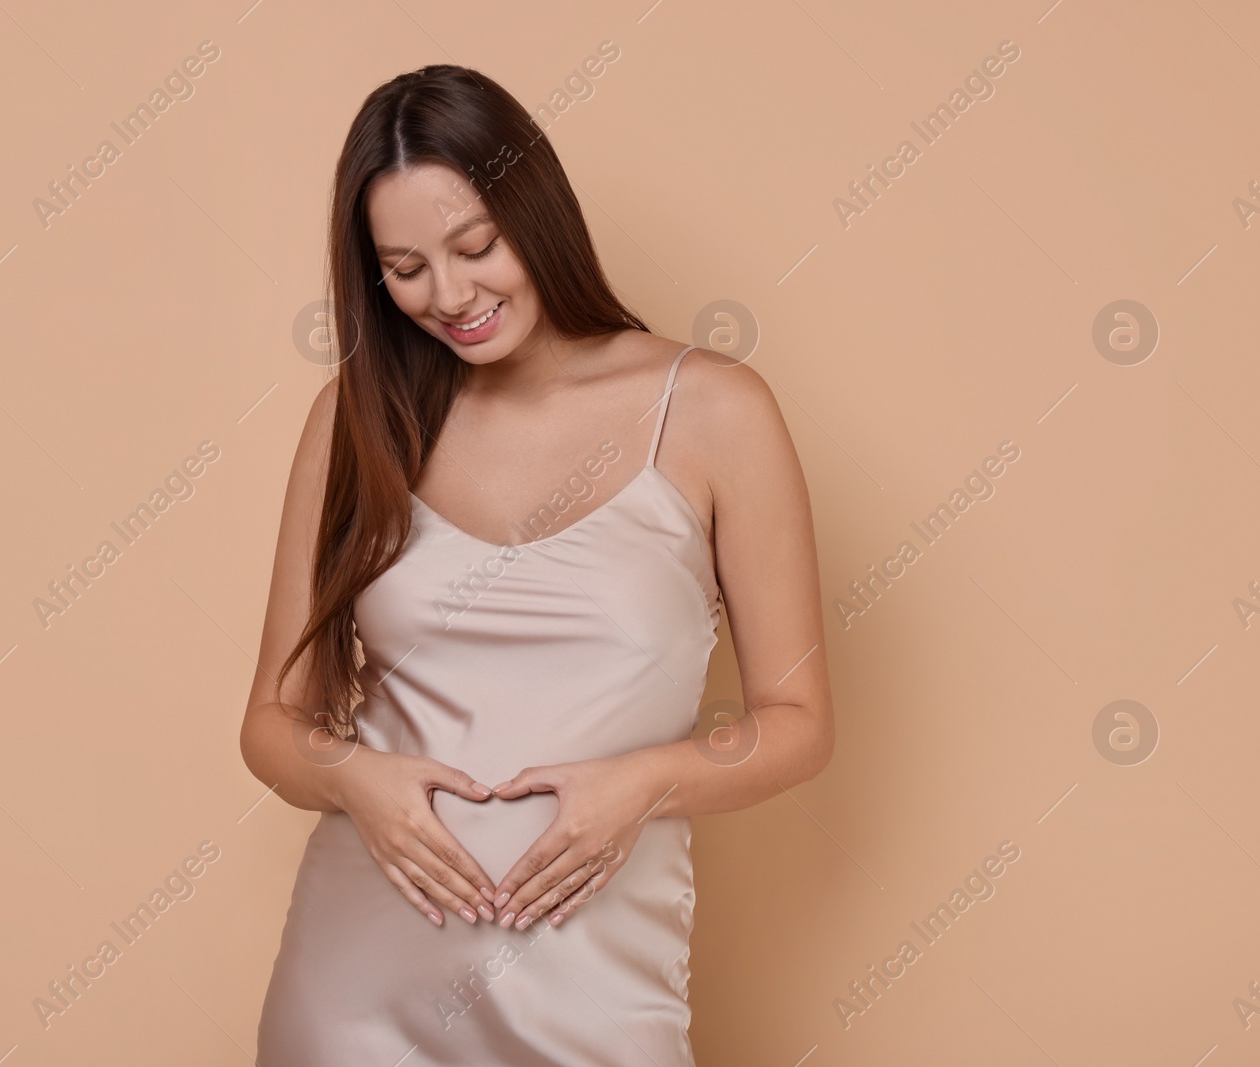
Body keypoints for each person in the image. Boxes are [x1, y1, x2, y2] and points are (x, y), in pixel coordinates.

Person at [241, 63, 834, 1067]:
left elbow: (799, 724)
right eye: (407, 266)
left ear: (535, 211)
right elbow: (269, 725)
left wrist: (641, 783)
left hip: (593, 998)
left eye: (477, 246)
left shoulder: (715, 411)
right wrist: (355, 780)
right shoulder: (354, 420)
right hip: (355, 992)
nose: (452, 294)